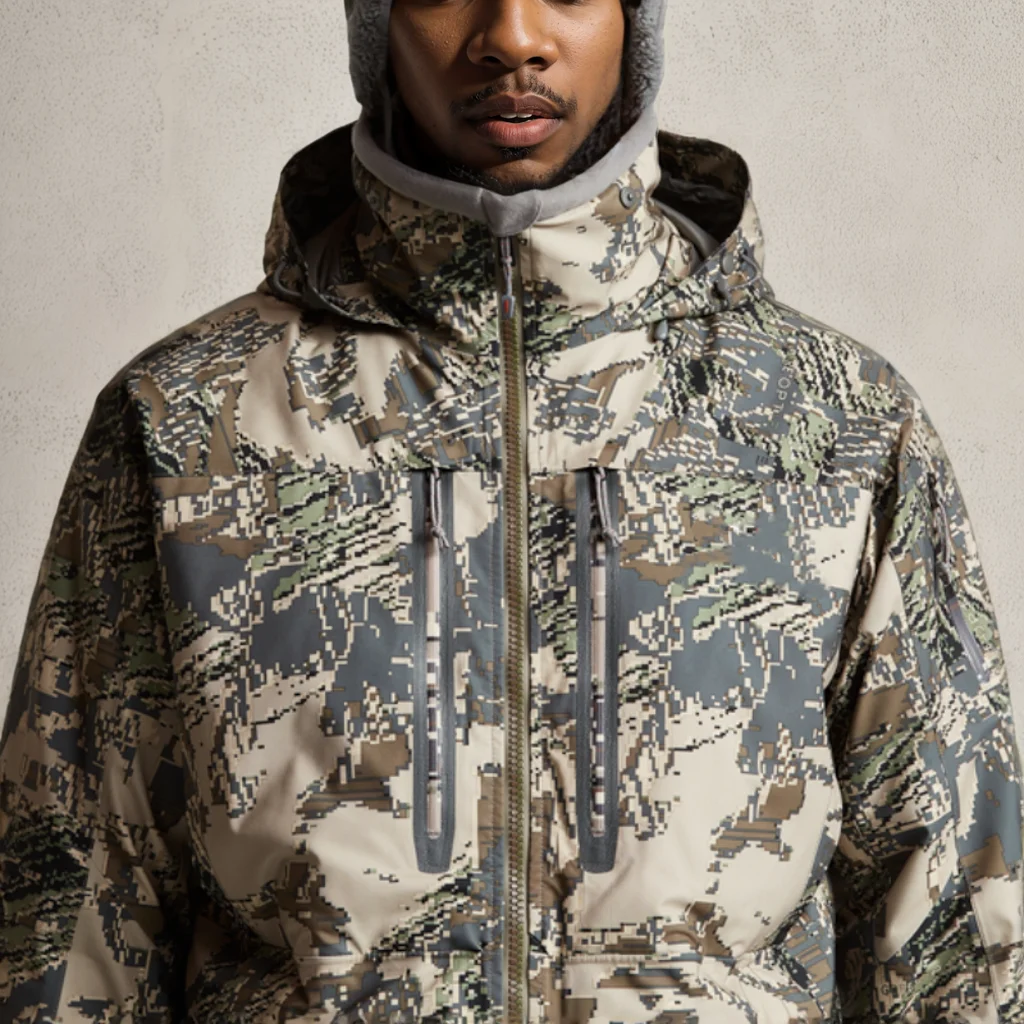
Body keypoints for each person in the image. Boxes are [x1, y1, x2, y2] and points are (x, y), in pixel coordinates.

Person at [1, 0, 1021, 1020]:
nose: (514, 35)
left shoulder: (833, 421)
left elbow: (953, 931)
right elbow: (75, 916)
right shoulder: (186, 421)